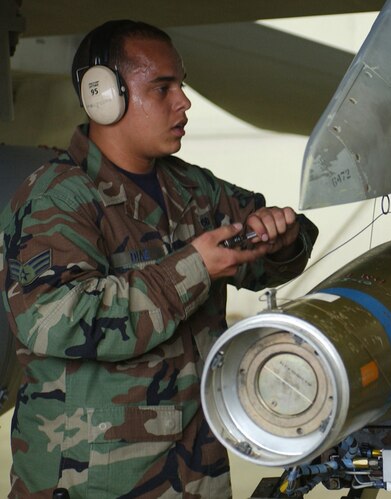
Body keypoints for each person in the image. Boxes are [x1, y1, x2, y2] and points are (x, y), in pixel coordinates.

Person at [0, 20, 318, 498]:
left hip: (197, 472)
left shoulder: (193, 189)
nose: (183, 102)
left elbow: (271, 259)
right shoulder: (57, 197)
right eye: (163, 88)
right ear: (103, 95)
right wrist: (194, 268)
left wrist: (282, 239)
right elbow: (55, 320)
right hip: (94, 481)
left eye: (181, 86)